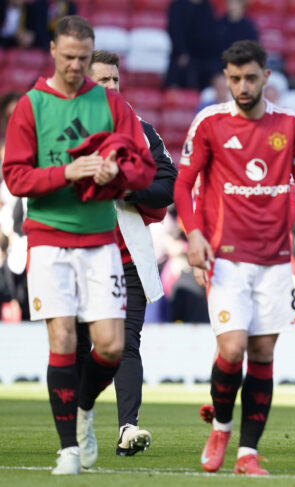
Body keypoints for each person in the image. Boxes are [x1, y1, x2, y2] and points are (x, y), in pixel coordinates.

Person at [2, 15, 155, 475]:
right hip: (49, 237)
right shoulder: (31, 106)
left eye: (83, 59)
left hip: (99, 238)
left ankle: (83, 408)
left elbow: (145, 169)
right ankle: (69, 446)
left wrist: (119, 175)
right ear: (52, 50)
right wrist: (66, 173)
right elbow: (15, 176)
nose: (75, 66)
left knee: (110, 346)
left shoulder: (111, 105)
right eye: (68, 57)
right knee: (63, 339)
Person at [173, 39, 295, 476]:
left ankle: (248, 454)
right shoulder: (209, 123)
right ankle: (222, 425)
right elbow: (183, 186)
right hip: (225, 258)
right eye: (234, 79)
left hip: (276, 259)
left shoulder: (291, 126)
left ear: (266, 76)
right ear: (226, 78)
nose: (242, 87)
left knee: (262, 352)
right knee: (233, 347)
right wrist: (194, 236)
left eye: (250, 78)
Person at [74, 49, 178, 456]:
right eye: (102, 80)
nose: (112, 87)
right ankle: (81, 425)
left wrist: (127, 188)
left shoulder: (141, 129)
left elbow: (167, 183)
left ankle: (127, 428)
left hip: (128, 258)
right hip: (80, 254)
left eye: (115, 80)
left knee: (127, 343)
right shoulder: (66, 129)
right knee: (83, 349)